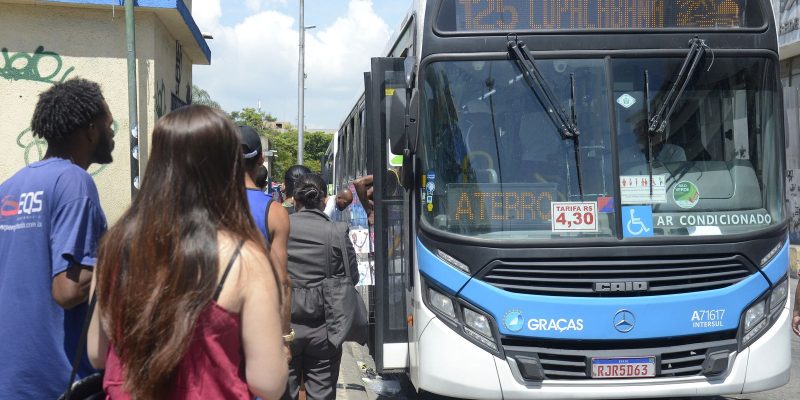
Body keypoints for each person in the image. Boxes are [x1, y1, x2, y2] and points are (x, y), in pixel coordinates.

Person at [87, 105, 288, 399]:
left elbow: (96, 354)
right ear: (228, 168)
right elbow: (268, 384)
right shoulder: (244, 259)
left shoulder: (115, 247)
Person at [0, 78, 114, 398]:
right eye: (109, 124)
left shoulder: (10, 187)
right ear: (92, 131)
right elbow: (68, 289)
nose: (113, 133)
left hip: (11, 378)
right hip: (58, 379)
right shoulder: (75, 182)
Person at [283, 173, 358, 400]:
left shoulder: (281, 227)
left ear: (294, 200)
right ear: (324, 201)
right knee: (322, 394)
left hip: (284, 326)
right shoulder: (336, 231)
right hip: (325, 328)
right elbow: (351, 276)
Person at [239, 124, 293, 354]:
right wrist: (284, 338)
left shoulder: (204, 205)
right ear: (261, 159)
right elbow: (282, 281)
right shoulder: (275, 212)